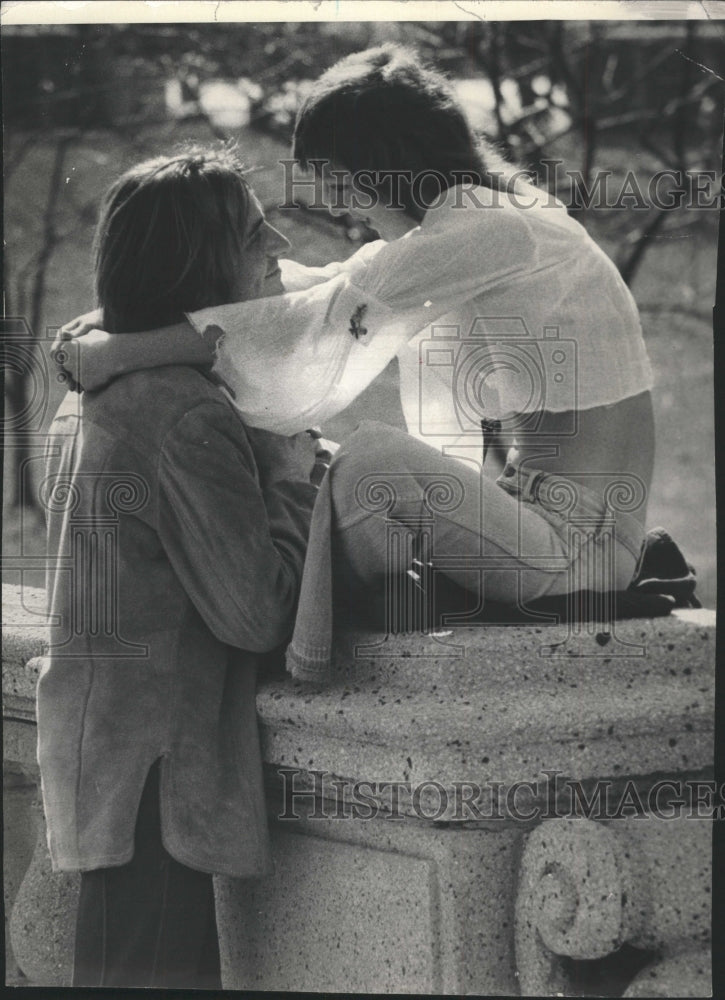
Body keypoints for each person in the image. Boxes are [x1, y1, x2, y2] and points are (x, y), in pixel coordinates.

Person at [57, 45, 668, 664]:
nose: (346, 208)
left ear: (382, 168)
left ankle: (300, 649)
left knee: (368, 465)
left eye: (343, 184)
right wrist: (123, 319)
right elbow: (323, 285)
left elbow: (320, 313)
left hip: (579, 546)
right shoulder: (483, 221)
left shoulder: (491, 230)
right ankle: (306, 610)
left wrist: (121, 353)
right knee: (347, 486)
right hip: (549, 524)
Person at [41, 148, 328, 988]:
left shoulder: (91, 390)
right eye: (250, 231)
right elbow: (257, 614)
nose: (276, 239)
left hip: (110, 775)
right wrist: (295, 477)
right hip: (160, 790)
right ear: (199, 262)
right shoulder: (185, 412)